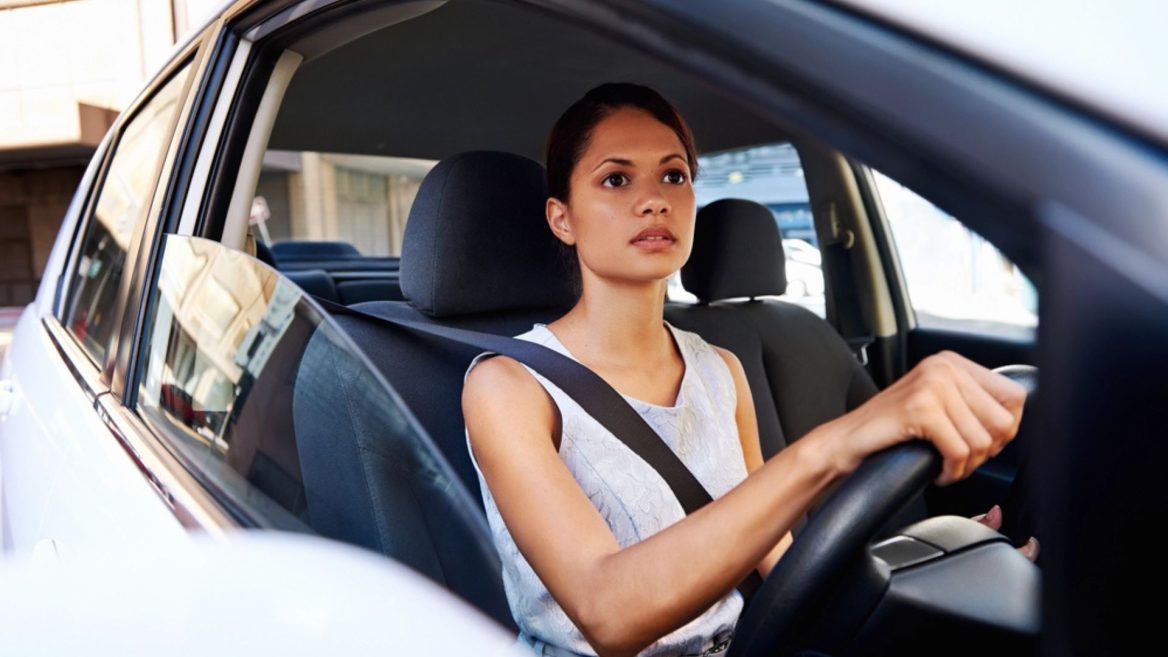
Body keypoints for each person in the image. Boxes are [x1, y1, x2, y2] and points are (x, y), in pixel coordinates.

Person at [462, 83, 1036, 657]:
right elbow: (607, 614)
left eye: (674, 175)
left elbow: (782, 567)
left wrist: (935, 571)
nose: (655, 200)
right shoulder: (507, 387)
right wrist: (836, 443)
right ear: (562, 218)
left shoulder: (721, 371)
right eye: (616, 179)